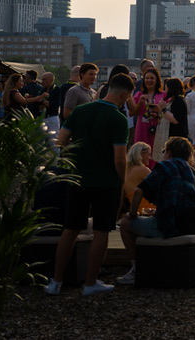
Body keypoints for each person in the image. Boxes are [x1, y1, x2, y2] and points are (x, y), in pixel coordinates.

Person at [45, 72, 134, 296]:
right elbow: (121, 158)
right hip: (107, 182)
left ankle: (56, 282)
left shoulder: (80, 111)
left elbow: (61, 141)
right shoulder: (118, 119)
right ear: (123, 94)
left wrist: (71, 161)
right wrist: (122, 182)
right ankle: (90, 282)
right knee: (102, 231)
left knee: (70, 229)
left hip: (77, 178)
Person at [116, 136, 195, 285]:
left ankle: (136, 269)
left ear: (169, 153)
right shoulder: (194, 173)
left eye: (164, 151)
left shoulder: (165, 167)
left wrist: (132, 214)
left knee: (125, 223)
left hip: (174, 226)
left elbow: (139, 191)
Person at [129, 68, 165, 149]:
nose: (149, 80)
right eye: (147, 78)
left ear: (157, 80)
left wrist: (158, 112)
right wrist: (140, 103)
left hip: (157, 128)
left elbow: (168, 114)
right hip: (142, 128)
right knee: (140, 153)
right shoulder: (139, 94)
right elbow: (131, 113)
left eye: (152, 78)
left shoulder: (164, 95)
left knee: (156, 153)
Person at [123, 142, 155, 214]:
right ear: (141, 154)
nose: (150, 158)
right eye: (149, 154)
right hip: (146, 210)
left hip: (133, 210)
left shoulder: (125, 171)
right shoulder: (143, 170)